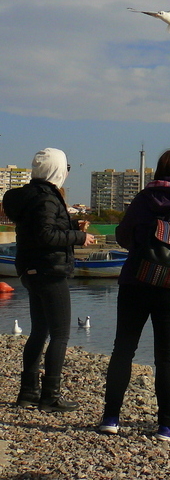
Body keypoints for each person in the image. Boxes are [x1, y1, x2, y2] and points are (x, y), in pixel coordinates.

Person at [98, 148, 170, 441]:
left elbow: (122, 235)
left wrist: (142, 252)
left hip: (135, 281)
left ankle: (110, 418)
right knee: (167, 357)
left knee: (123, 349)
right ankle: (166, 426)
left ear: (159, 170)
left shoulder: (142, 200)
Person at [3, 148, 96, 412]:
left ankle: (27, 393)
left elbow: (39, 231)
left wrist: (71, 228)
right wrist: (79, 238)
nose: (66, 174)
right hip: (50, 272)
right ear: (57, 170)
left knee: (39, 332)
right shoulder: (48, 198)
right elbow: (45, 236)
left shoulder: (29, 197)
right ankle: (50, 396)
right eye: (66, 169)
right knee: (60, 335)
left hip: (29, 272)